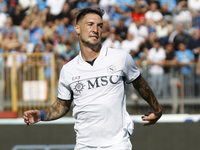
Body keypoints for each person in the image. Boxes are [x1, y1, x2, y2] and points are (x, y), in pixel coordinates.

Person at [23, 7, 162, 150]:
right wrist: (41, 115)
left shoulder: (120, 57)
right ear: (77, 28)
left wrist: (157, 110)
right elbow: (62, 105)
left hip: (117, 143)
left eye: (100, 26)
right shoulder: (68, 70)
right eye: (90, 24)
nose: (95, 29)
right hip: (85, 144)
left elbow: (139, 84)